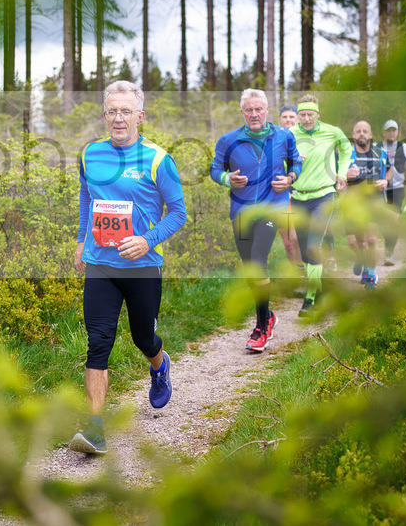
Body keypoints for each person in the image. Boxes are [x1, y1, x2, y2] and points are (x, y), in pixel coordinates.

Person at [70, 80, 187, 455]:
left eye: (126, 111)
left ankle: (159, 363)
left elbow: (179, 213)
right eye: (112, 111)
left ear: (140, 116)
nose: (118, 118)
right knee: (98, 343)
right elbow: (87, 198)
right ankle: (95, 427)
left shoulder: (157, 159)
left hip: (142, 266)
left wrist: (147, 240)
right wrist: (80, 239)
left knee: (142, 338)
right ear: (104, 115)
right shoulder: (90, 154)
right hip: (100, 264)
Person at [211, 89, 302, 352]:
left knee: (259, 262)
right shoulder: (229, 140)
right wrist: (228, 179)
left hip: (272, 208)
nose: (254, 114)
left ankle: (261, 327)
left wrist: (290, 178)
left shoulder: (284, 136)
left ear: (267, 110)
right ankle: (269, 315)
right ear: (242, 112)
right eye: (249, 110)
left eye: (258, 109)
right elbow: (215, 170)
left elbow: (296, 163)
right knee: (251, 267)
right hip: (240, 211)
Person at [288, 94, 353, 316]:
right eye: (302, 115)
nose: (306, 119)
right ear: (297, 115)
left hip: (324, 195)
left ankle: (310, 297)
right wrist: (293, 159)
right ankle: (318, 286)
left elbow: (346, 150)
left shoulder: (333, 131)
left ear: (318, 114)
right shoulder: (290, 134)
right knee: (305, 247)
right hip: (298, 196)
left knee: (313, 245)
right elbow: (277, 158)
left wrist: (341, 174)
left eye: (310, 114)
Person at [344, 121, 389, 290]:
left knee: (371, 240)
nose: (361, 134)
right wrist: (345, 174)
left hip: (374, 201)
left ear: (371, 135)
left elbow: (390, 169)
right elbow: (333, 174)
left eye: (365, 131)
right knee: (357, 243)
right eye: (358, 131)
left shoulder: (380, 153)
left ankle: (371, 277)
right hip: (353, 203)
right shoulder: (345, 154)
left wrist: (386, 180)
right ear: (353, 135)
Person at [380, 119, 406, 266]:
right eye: (388, 130)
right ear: (383, 132)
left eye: (393, 130)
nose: (391, 132)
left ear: (397, 132)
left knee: (393, 220)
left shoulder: (405, 147)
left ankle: (389, 253)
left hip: (396, 188)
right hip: (378, 188)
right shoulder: (376, 147)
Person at [276, 104, 305, 284]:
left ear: (297, 119)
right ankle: (296, 277)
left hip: (300, 193)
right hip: (280, 195)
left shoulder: (302, 138)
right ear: (280, 119)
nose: (288, 120)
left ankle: (304, 273)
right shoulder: (275, 138)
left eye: (291, 117)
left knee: (296, 238)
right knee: (287, 242)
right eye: (285, 117)